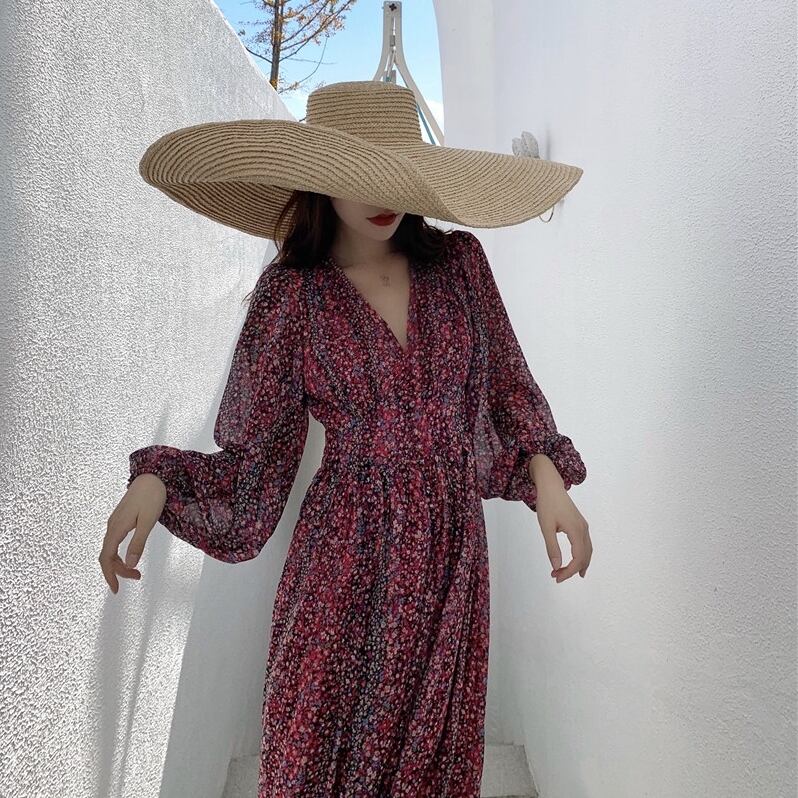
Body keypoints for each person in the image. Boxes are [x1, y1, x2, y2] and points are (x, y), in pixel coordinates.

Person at [98, 81, 591, 797]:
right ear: (317, 181)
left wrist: (549, 484)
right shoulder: (292, 296)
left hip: (450, 552)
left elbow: (509, 391)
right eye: (357, 177)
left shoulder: (459, 265)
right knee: (318, 747)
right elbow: (257, 458)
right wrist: (158, 480)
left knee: (427, 760)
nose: (380, 198)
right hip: (342, 553)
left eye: (394, 177)